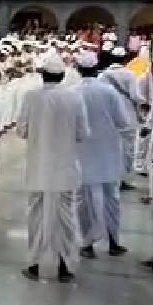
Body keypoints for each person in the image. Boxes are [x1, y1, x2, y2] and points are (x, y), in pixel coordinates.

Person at [18, 55, 90, 283]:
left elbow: (21, 130)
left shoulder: (31, 97)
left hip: (38, 168)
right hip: (65, 168)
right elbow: (83, 133)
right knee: (66, 218)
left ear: (42, 75)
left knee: (36, 216)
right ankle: (64, 267)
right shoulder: (74, 97)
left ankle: (35, 264)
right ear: (62, 76)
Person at [74, 51, 133, 258]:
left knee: (85, 201)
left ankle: (87, 244)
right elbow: (124, 122)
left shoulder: (73, 92)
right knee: (111, 199)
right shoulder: (109, 91)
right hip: (109, 152)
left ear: (78, 69)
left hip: (83, 153)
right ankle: (114, 242)